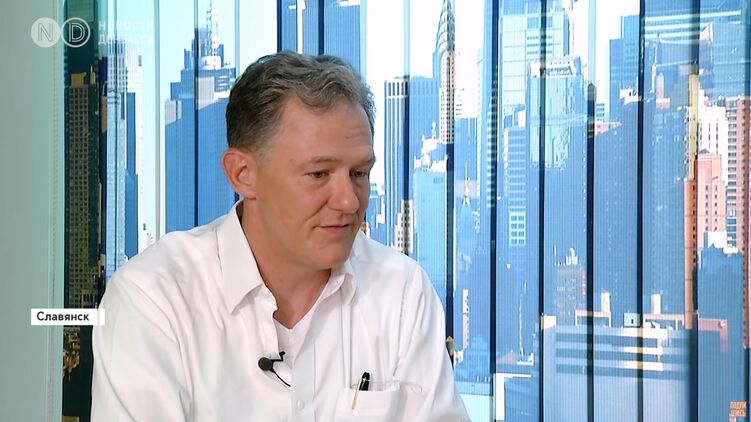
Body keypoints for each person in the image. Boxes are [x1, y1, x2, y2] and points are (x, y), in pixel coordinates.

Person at [91, 51, 469, 421]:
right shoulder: (153, 298)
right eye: (318, 174)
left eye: (359, 174)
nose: (349, 201)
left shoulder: (401, 291)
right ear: (243, 174)